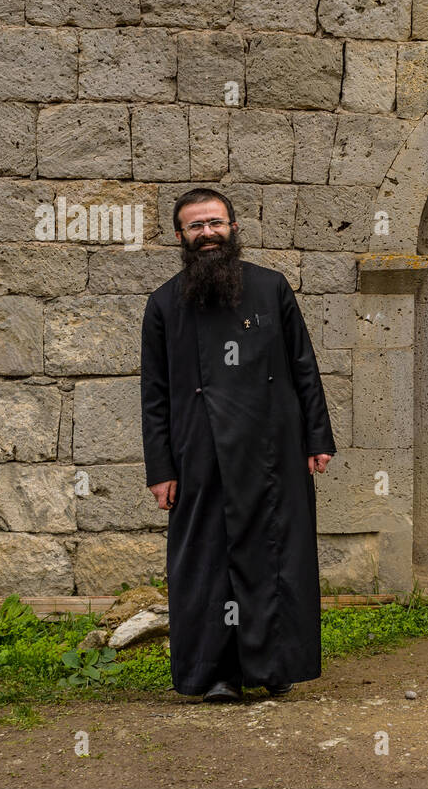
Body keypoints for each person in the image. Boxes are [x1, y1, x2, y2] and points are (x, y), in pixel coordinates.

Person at [139, 188, 336, 703]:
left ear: (232, 226)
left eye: (215, 223)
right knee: (207, 562)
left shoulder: (272, 288)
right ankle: (217, 674)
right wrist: (161, 469)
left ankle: (274, 666)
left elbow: (303, 367)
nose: (207, 233)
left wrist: (318, 436)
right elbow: (154, 395)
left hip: (275, 449)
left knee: (276, 557)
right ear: (180, 236)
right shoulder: (163, 304)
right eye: (195, 226)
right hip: (199, 454)